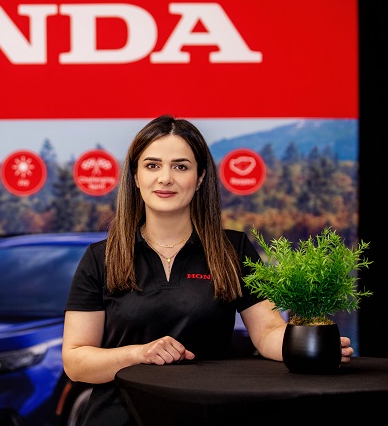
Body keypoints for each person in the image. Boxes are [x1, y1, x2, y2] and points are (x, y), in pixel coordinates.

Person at [61, 114, 354, 425]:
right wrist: (139, 354)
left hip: (207, 415)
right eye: (152, 165)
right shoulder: (100, 257)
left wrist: (308, 346)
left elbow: (267, 332)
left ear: (200, 178)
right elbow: (76, 360)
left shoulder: (232, 249)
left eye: (180, 166)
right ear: (135, 176)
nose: (165, 178)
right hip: (119, 417)